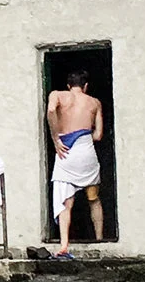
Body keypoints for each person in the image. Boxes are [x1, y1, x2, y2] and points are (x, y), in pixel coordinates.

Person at [45, 68, 106, 255]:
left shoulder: (57, 95)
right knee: (93, 198)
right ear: (85, 86)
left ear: (68, 85)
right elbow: (98, 135)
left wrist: (56, 139)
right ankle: (100, 240)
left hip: (66, 152)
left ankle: (64, 244)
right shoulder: (94, 102)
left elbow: (50, 111)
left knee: (65, 202)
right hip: (86, 151)